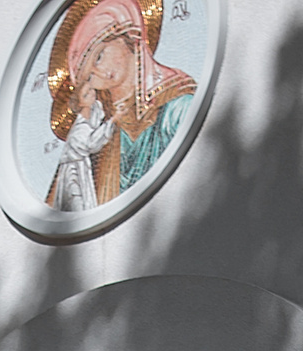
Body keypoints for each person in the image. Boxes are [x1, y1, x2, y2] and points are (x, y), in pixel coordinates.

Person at [43, 0, 199, 210]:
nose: (99, 73)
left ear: (129, 35)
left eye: (99, 56)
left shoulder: (178, 106)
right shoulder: (97, 142)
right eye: (88, 77)